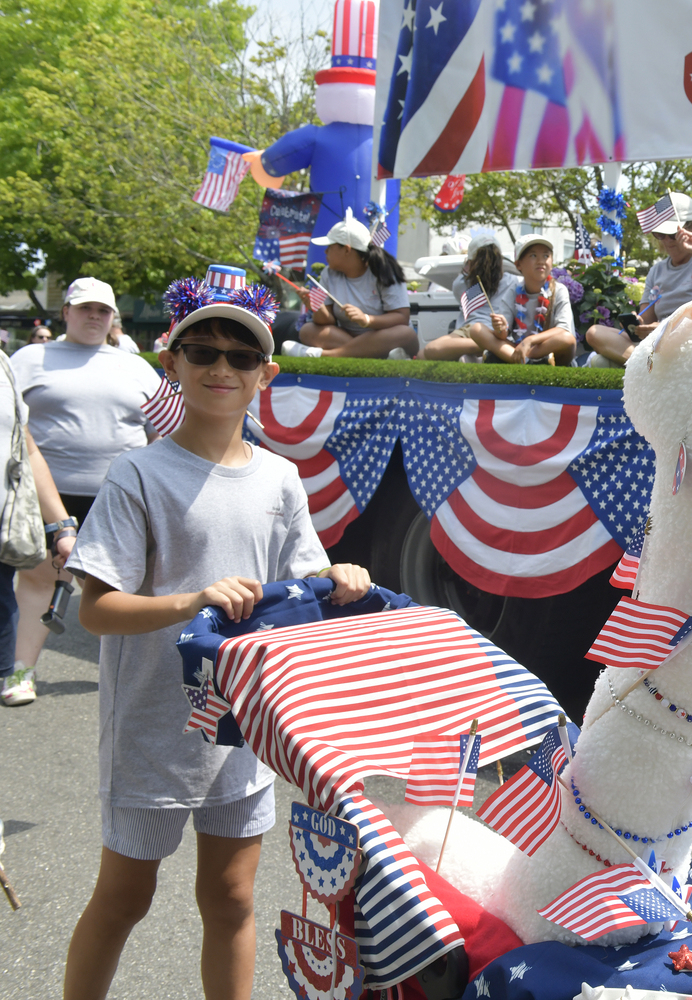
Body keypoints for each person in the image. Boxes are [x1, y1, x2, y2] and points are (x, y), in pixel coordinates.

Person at [62, 276, 371, 1000]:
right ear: (171, 361)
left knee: (232, 899)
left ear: (268, 374)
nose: (220, 367)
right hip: (152, 728)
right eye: (201, 350)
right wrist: (192, 600)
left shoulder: (282, 479)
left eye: (242, 354)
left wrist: (343, 579)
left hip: (244, 730)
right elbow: (97, 611)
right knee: (125, 898)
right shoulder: (137, 474)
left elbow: (304, 589)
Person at [7, 277, 162, 703]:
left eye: (103, 310)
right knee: (40, 580)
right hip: (47, 494)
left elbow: (162, 435)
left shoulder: (135, 365)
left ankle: (129, 680)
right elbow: (13, 431)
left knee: (123, 589)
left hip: (121, 498)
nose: (93, 316)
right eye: (84, 308)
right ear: (66, 313)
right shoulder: (30, 357)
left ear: (114, 318)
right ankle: (20, 672)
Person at [0, 351, 80, 707]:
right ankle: (16, 671)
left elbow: (26, 448)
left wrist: (62, 525)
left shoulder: (2, 365)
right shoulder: (25, 359)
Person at [585, 191, 692, 367]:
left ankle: (647, 366)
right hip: (655, 342)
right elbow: (647, 317)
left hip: (691, 343)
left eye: (672, 233)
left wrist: (665, 328)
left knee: (600, 361)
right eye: (660, 233)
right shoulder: (656, 270)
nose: (667, 240)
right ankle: (652, 366)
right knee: (594, 332)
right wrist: (639, 324)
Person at [280, 208, 417, 359]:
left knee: (405, 334)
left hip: (384, 336)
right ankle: (372, 353)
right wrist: (315, 305)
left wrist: (366, 319)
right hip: (347, 337)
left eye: (330, 247)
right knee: (308, 330)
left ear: (347, 250)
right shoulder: (327, 273)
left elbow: (401, 317)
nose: (326, 252)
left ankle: (327, 355)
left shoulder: (384, 271)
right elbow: (326, 321)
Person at [421, 236, 576, 365]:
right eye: (533, 255)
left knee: (567, 339)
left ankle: (518, 357)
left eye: (546, 256)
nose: (541, 261)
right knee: (476, 330)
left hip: (539, 346)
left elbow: (564, 331)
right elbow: (503, 333)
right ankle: (524, 360)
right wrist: (501, 327)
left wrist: (528, 341)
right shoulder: (513, 287)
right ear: (518, 265)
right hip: (507, 343)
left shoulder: (557, 289)